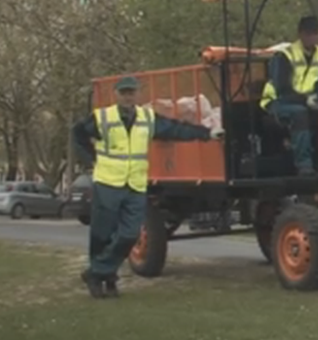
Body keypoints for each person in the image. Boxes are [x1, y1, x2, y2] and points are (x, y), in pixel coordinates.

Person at [72, 76, 223, 299]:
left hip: (135, 184)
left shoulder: (146, 117)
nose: (127, 96)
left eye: (131, 92)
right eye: (123, 92)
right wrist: (90, 159)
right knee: (102, 234)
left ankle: (97, 272)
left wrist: (206, 133)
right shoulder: (103, 117)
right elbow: (77, 134)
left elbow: (175, 129)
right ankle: (106, 279)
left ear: (138, 94)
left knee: (130, 234)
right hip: (108, 183)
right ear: (116, 95)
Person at [259, 15, 318, 177]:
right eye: (308, 34)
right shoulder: (284, 56)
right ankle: (304, 165)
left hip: (307, 102)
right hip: (277, 103)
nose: (311, 38)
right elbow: (282, 88)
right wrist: (305, 100)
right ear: (300, 34)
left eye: (315, 34)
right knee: (300, 114)